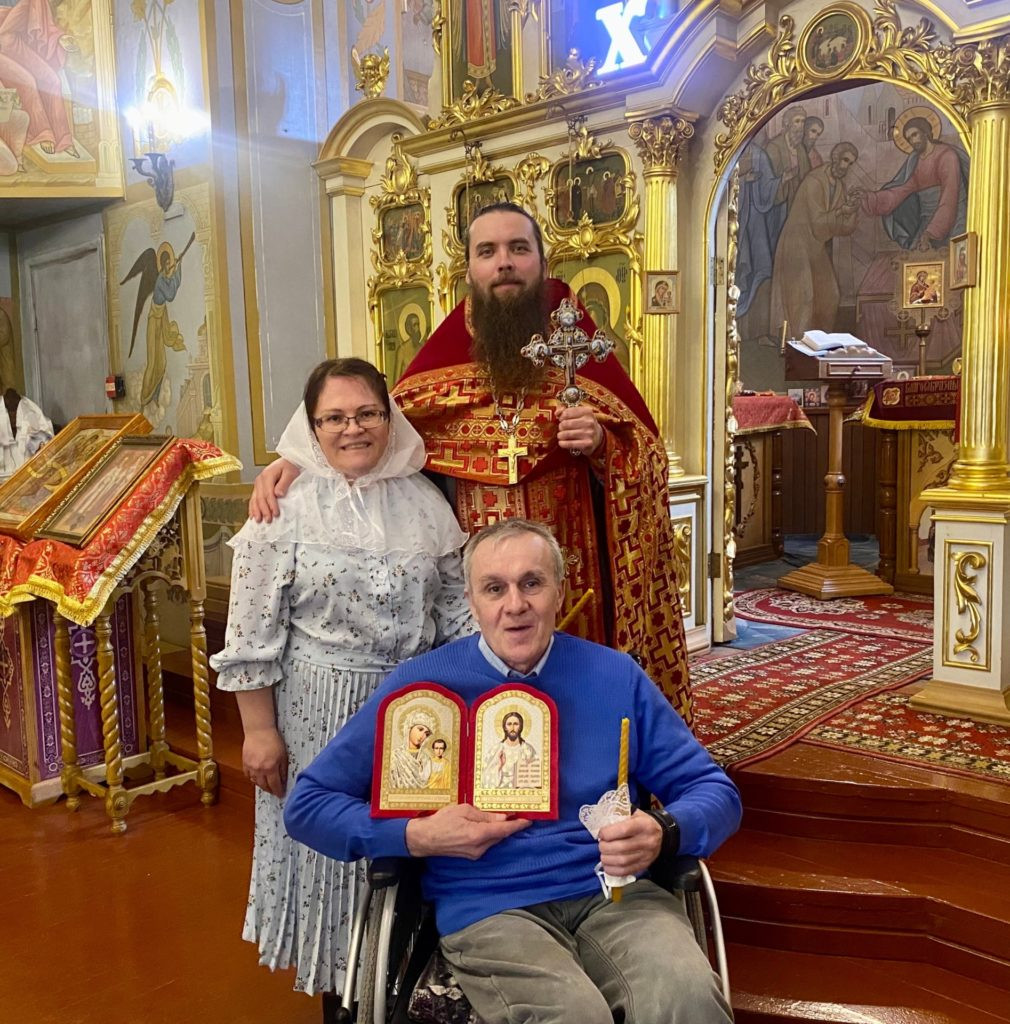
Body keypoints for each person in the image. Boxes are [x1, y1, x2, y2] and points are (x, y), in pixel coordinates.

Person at [284, 519, 741, 1024]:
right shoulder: (420, 686)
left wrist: (664, 830)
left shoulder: (615, 675)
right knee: (574, 1018)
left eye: (532, 583)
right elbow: (308, 806)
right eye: (494, 588)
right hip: (490, 907)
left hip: (615, 894)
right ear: (472, 601)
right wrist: (417, 836)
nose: (515, 605)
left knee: (689, 998)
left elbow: (713, 791)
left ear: (560, 592)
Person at [251, 202, 693, 722]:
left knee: (580, 713)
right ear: (469, 271)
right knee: (486, 719)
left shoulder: (576, 348)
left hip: (572, 587)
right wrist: (300, 462)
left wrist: (602, 446)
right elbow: (370, 431)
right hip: (474, 597)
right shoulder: (439, 367)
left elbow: (645, 459)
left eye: (518, 248)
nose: (504, 262)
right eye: (488, 251)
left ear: (543, 263)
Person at [209, 357, 472, 1018]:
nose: (352, 428)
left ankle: (396, 997)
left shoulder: (426, 503)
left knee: (403, 865)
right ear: (312, 426)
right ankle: (343, 1004)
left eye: (366, 413)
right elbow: (250, 631)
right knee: (336, 865)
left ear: (389, 418)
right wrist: (259, 732)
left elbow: (455, 614)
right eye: (334, 418)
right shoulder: (284, 507)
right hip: (316, 716)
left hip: (412, 716)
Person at [769, 141, 861, 338]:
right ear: (835, 157)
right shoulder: (814, 181)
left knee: (830, 294)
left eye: (850, 163)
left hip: (815, 246)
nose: (846, 166)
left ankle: (819, 344)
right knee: (803, 296)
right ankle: (797, 344)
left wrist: (851, 211)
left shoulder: (839, 186)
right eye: (845, 160)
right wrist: (841, 211)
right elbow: (818, 223)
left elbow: (842, 228)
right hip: (797, 242)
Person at [854, 115, 969, 251]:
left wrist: (931, 232)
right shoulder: (915, 161)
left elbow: (949, 198)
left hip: (954, 219)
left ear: (925, 132)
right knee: (916, 253)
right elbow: (900, 191)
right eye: (909, 139)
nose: (913, 141)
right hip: (928, 220)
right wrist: (870, 198)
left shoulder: (946, 156)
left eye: (915, 135)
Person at [482, 710, 539, 789]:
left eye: (515, 724)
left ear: (520, 727)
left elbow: (536, 778)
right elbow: (484, 778)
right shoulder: (496, 749)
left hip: (522, 794)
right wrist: (499, 766)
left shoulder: (528, 749)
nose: (512, 728)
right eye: (509, 724)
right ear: (505, 727)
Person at [390, 710, 436, 789]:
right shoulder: (395, 756)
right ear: (409, 729)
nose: (422, 735)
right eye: (420, 729)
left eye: (426, 734)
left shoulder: (426, 759)